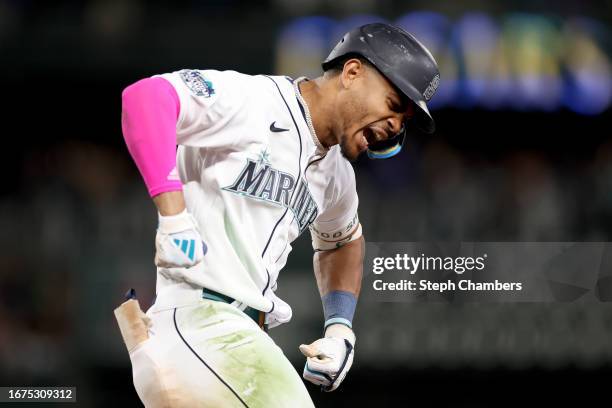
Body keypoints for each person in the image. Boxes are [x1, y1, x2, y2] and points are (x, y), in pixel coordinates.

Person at [115, 22, 439, 407]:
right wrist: (173, 216)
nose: (395, 126)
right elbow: (146, 98)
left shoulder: (336, 175)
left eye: (403, 121)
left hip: (225, 343)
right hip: (199, 324)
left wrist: (340, 329)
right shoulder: (254, 100)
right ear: (352, 72)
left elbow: (343, 242)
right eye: (393, 104)